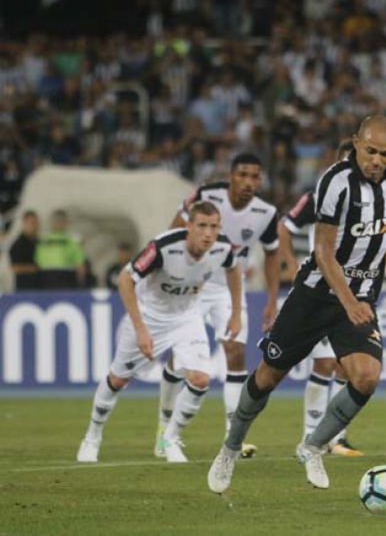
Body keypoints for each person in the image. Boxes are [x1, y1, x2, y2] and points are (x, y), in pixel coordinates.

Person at [207, 116, 386, 493]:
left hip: (358, 298)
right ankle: (230, 447)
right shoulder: (335, 183)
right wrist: (349, 300)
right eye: (370, 151)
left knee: (366, 377)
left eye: (385, 154)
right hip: (316, 294)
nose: (377, 160)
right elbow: (323, 251)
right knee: (267, 376)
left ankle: (312, 447)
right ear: (356, 143)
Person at [77, 201, 241, 463]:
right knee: (118, 379)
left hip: (187, 317)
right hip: (149, 316)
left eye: (213, 227)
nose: (208, 234)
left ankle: (169, 439)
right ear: (189, 226)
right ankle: (92, 436)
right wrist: (141, 329)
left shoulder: (222, 247)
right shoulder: (164, 247)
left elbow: (233, 269)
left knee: (200, 380)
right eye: (201, 226)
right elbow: (125, 279)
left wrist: (235, 313)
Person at [156, 153, 280, 459]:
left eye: (256, 176)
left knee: (236, 351)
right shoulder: (205, 196)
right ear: (231, 175)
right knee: (179, 360)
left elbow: (273, 254)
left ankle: (232, 436)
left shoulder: (266, 212)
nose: (249, 182)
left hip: (229, 289)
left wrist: (272, 300)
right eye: (244, 174)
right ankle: (163, 428)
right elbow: (173, 232)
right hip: (192, 286)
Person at [280, 188, 363, 457]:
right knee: (325, 362)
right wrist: (291, 264)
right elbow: (285, 227)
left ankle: (336, 438)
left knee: (345, 365)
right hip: (319, 288)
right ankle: (310, 434)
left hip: (352, 289)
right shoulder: (319, 194)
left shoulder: (375, 195)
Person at [35, 209, 86, 289]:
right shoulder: (43, 240)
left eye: (61, 221)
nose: (59, 223)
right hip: (46, 276)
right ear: (52, 223)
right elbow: (37, 260)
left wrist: (81, 281)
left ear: (66, 223)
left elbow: (79, 263)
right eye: (57, 221)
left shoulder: (72, 240)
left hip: (66, 276)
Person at [9, 210, 41, 290]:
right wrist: (32, 268)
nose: (34, 226)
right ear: (24, 224)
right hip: (25, 289)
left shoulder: (39, 242)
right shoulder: (18, 244)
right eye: (32, 223)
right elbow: (14, 268)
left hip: (39, 287)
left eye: (36, 223)